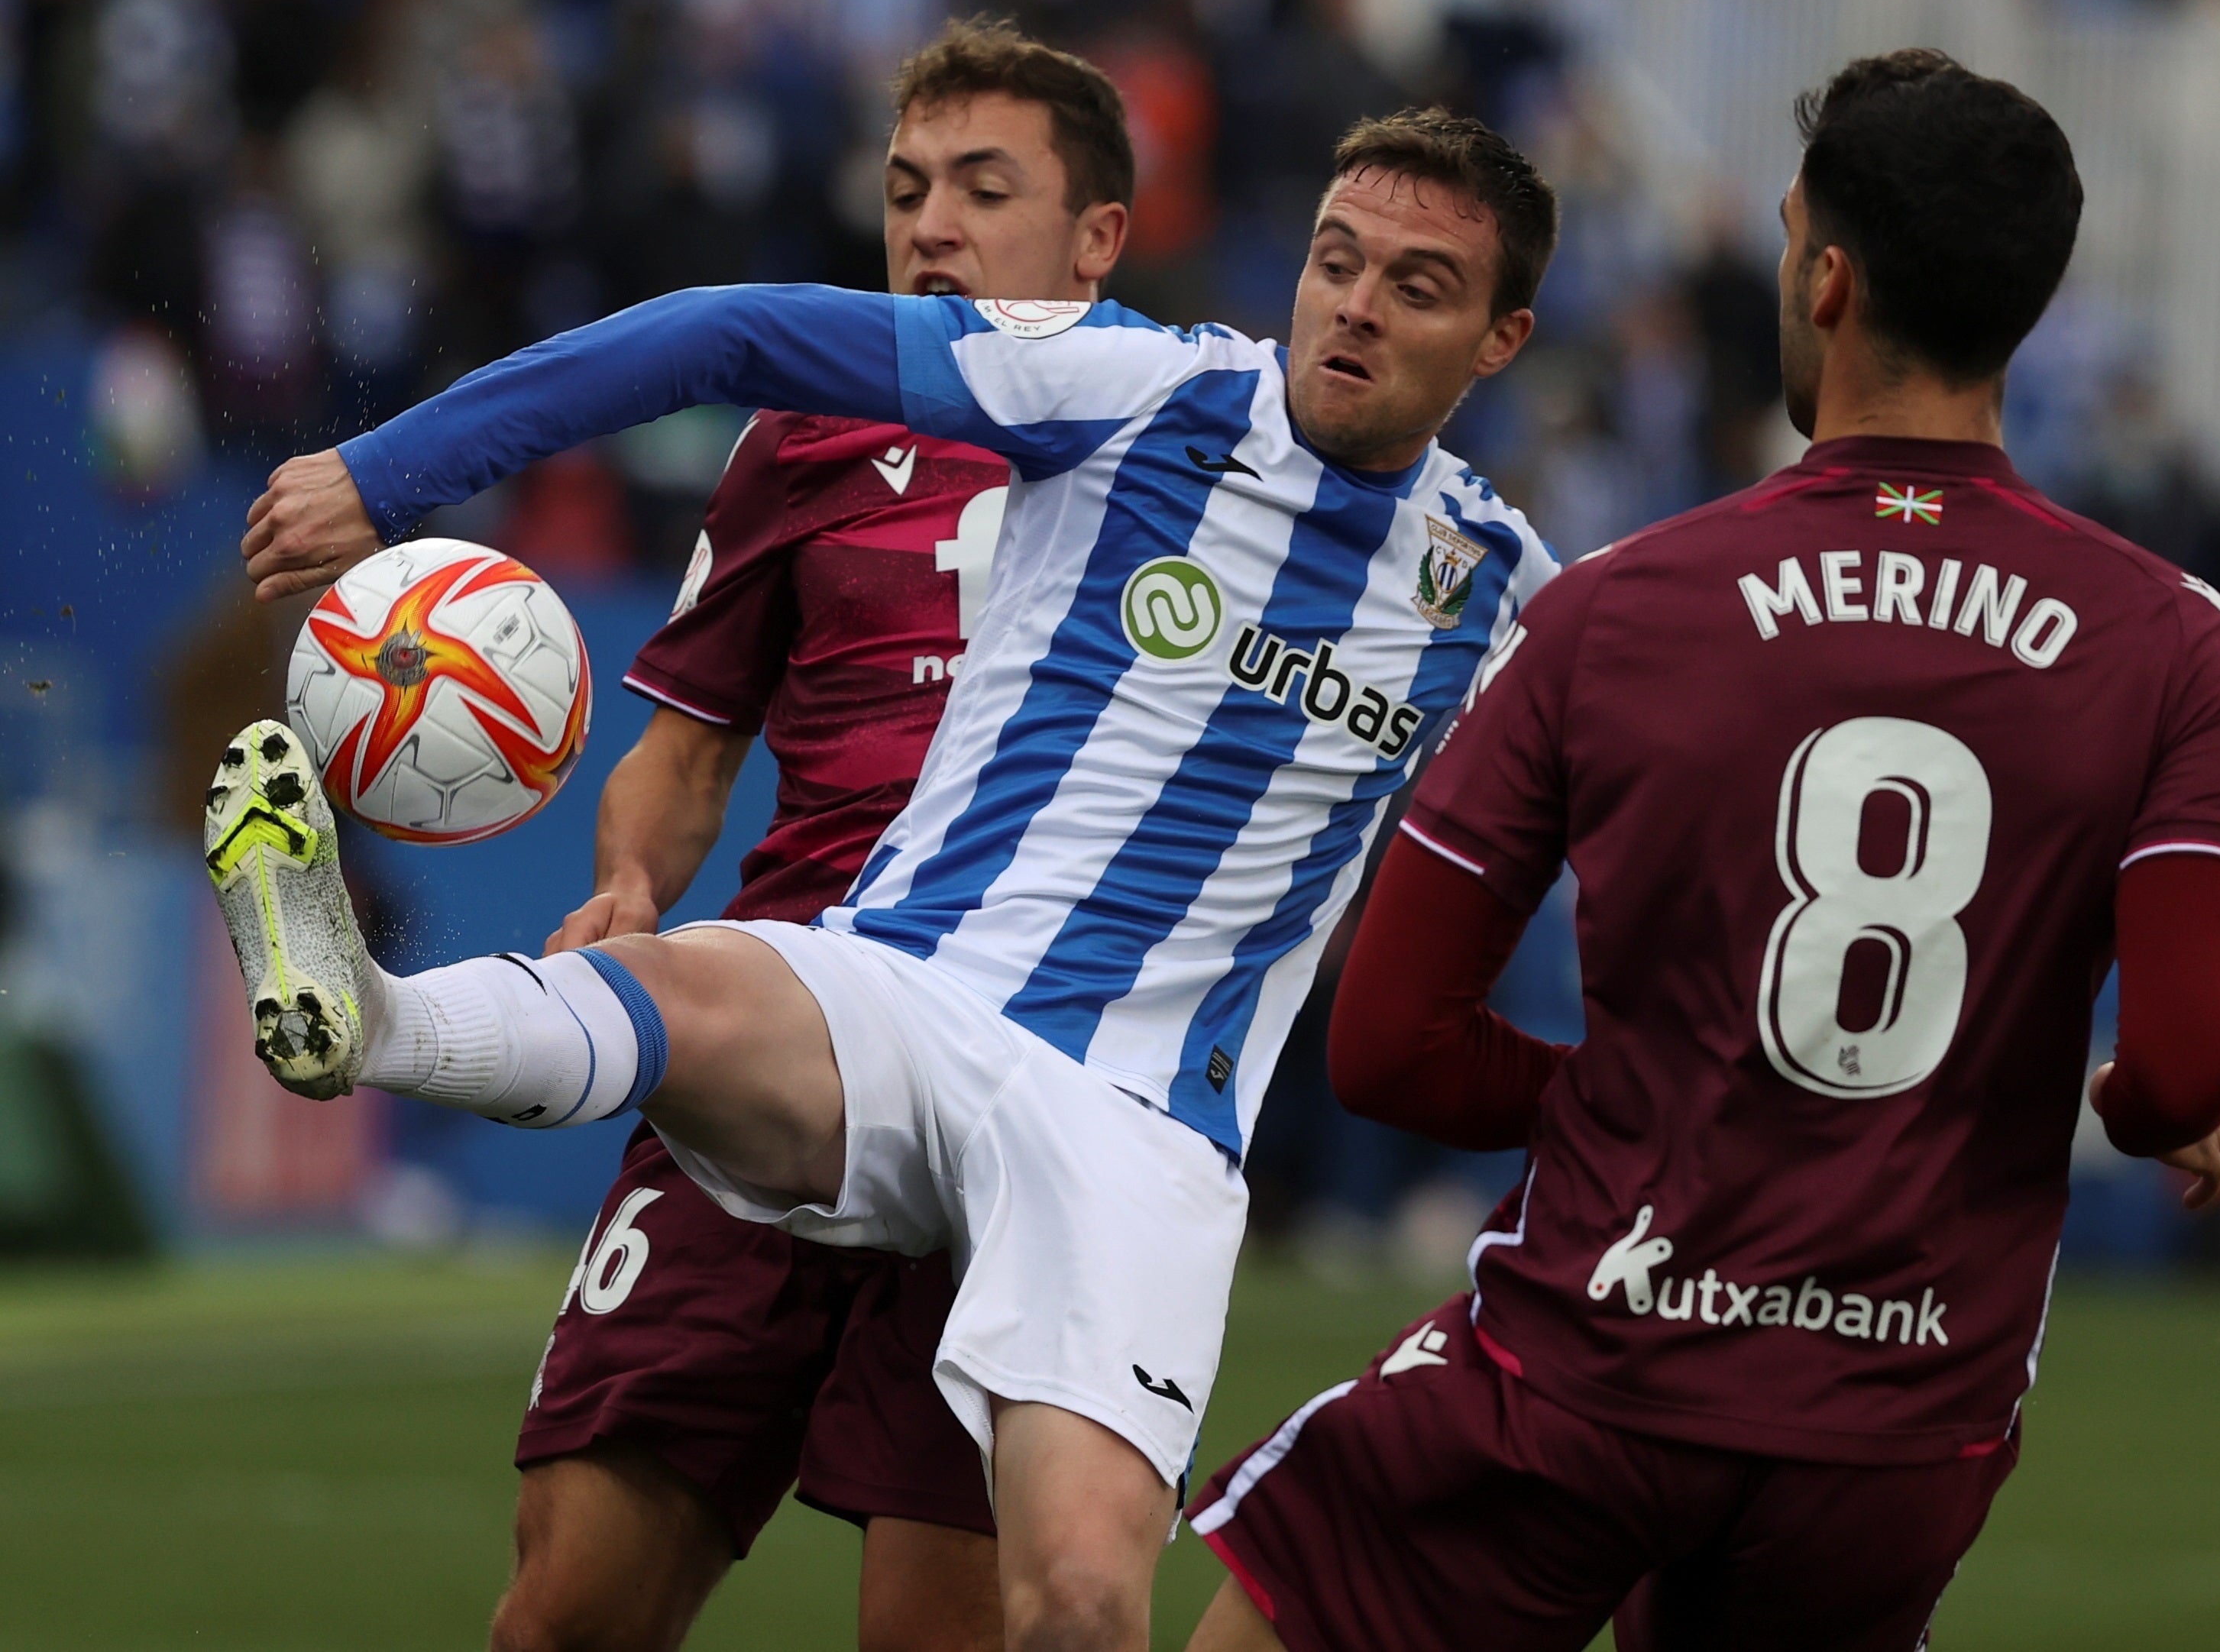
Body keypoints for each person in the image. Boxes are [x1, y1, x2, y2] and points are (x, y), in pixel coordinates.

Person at [208, 106, 1560, 1652]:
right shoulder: (1142, 388)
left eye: (1414, 284)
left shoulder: (1512, 602)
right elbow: (725, 332)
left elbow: (1679, 812)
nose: (1356, 306)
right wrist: (394, 469)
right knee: (685, 988)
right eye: (1335, 261)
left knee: (1072, 1602)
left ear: (1499, 338)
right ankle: (363, 1018)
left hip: (1140, 1132)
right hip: (919, 991)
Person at [1180, 49, 2220, 1652]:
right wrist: (2125, 1103)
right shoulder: (2171, 641)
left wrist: (1628, 1101)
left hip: (1592, 1369)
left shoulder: (1612, 608)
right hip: (1900, 1424)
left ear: (1825, 280)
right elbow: (2176, 1080)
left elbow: (1387, 1048)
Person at [484, 21, 1125, 1652]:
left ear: (1097, 237)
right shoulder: (809, 435)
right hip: (776, 1039)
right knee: (562, 1614)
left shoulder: (1198, 450)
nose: (931, 228)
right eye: (908, 190)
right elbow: (687, 749)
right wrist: (630, 879)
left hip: (1021, 1107)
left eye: (986, 189)